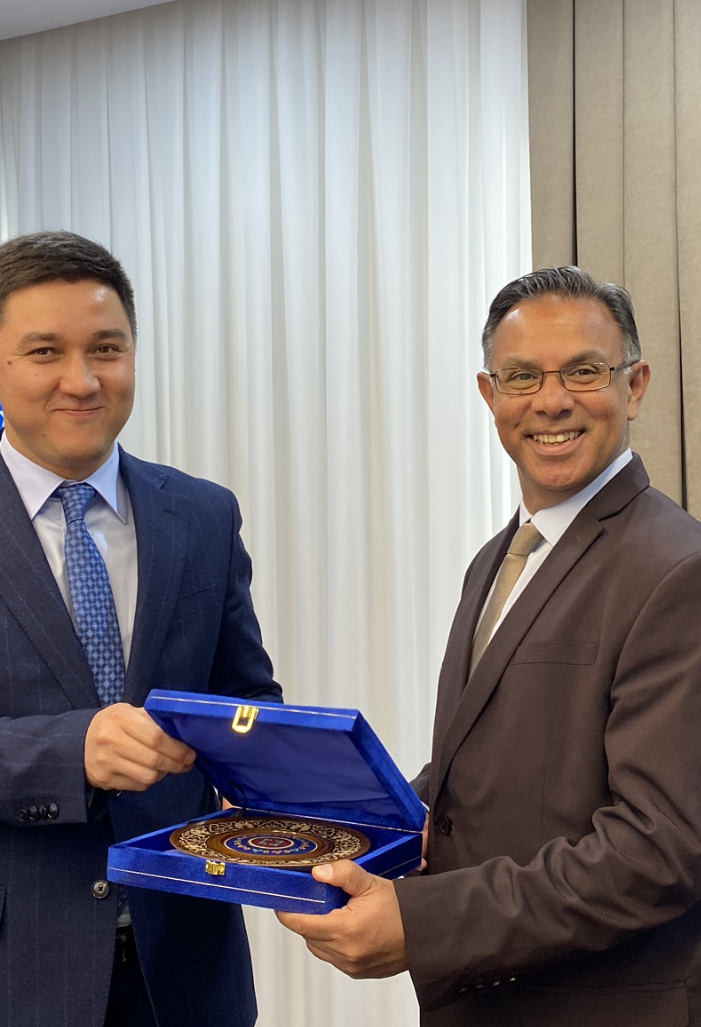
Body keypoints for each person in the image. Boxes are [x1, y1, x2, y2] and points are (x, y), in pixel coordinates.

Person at [0, 230, 281, 1027]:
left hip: (184, 971)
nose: (82, 380)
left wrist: (307, 793)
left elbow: (243, 701)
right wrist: (72, 752)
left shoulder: (202, 514)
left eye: (107, 347)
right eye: (44, 352)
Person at [278, 266, 701, 1026]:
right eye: (521, 376)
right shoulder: (499, 558)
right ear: (489, 395)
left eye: (584, 370)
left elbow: (658, 848)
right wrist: (341, 825)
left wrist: (424, 923)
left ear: (634, 386)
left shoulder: (677, 570)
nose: (551, 400)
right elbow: (493, 769)